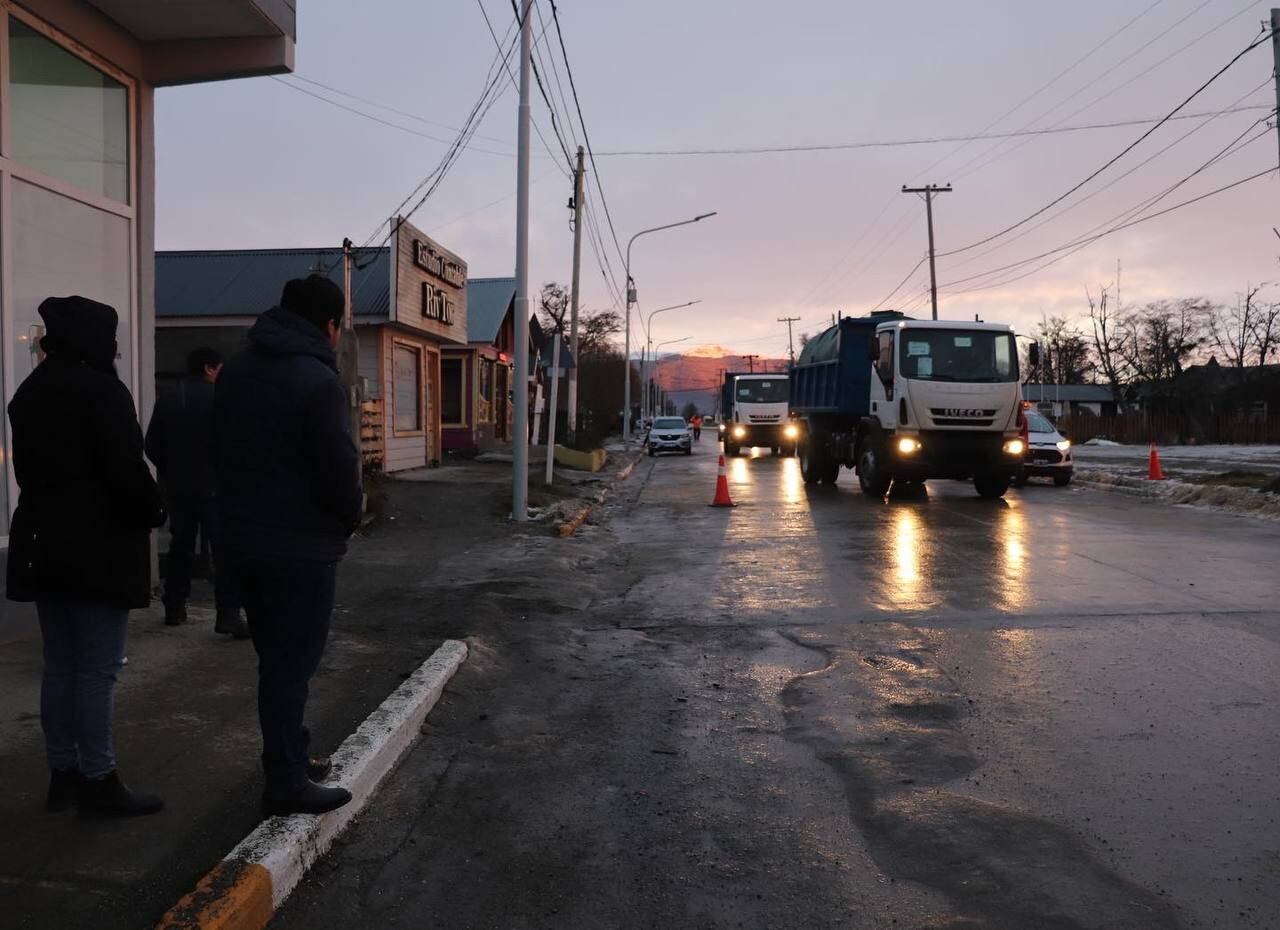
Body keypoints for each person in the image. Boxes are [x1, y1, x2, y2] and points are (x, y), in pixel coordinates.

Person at [7, 295, 166, 818]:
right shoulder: (102, 391)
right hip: (99, 547)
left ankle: (64, 775)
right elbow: (126, 470)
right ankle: (100, 780)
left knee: (61, 665)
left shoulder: (30, 392)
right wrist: (153, 509)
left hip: (43, 543)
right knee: (97, 670)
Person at [214, 275, 363, 816]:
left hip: (245, 542)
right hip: (300, 549)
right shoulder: (317, 382)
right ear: (329, 325)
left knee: (274, 661)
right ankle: (285, 782)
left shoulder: (236, 371)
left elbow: (218, 451)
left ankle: (290, 757)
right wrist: (349, 518)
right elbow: (339, 469)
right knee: (291, 665)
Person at [146, 347, 247, 637]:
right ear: (208, 369)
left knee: (181, 548)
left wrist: (170, 470)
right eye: (219, 368)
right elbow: (235, 443)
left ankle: (174, 606)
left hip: (179, 488)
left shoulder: (168, 399)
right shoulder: (221, 399)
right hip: (216, 488)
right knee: (224, 552)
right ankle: (227, 614)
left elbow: (151, 445)